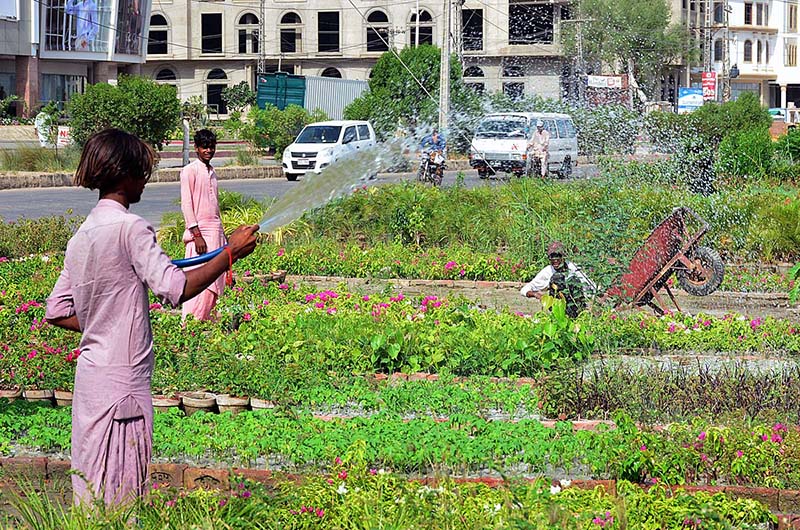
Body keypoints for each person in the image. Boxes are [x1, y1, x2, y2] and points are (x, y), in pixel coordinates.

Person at [45, 128, 258, 506]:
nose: (145, 180)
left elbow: (57, 310)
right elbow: (175, 288)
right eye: (142, 172)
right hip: (123, 388)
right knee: (122, 493)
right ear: (124, 174)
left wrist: (104, 323)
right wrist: (229, 254)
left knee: (92, 489)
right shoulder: (132, 228)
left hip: (91, 382)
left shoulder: (83, 234)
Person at [180, 129, 225, 321]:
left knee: (215, 277)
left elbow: (215, 207)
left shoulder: (212, 172)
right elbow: (187, 204)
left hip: (215, 233)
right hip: (200, 234)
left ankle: (209, 322)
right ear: (197, 149)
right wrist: (196, 234)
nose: (208, 150)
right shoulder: (189, 171)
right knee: (200, 278)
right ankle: (192, 323)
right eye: (204, 147)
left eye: (211, 147)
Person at [520, 241, 596, 317]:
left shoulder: (574, 268)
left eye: (558, 256)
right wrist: (537, 295)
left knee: (573, 280)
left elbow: (591, 287)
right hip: (557, 308)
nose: (555, 260)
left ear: (563, 257)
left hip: (577, 307)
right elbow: (524, 289)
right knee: (556, 279)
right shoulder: (547, 271)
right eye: (552, 257)